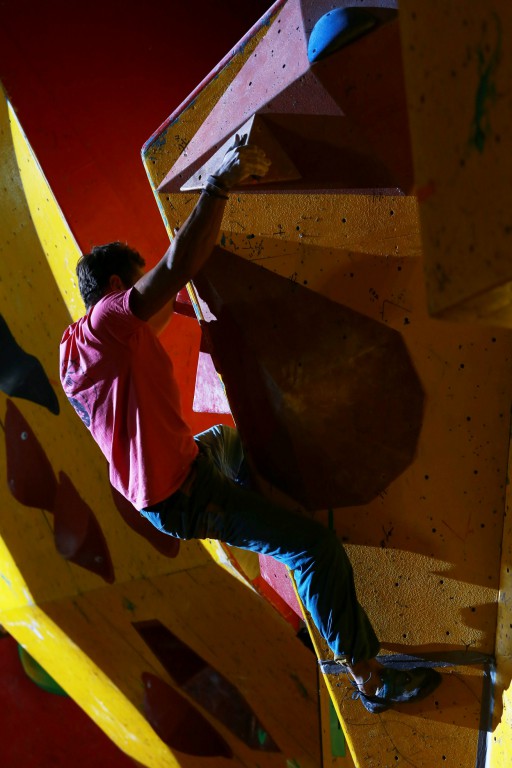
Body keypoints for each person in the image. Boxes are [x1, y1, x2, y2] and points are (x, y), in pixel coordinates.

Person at [59, 135, 441, 714]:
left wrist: (192, 299)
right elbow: (175, 265)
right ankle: (369, 680)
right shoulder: (110, 321)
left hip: (178, 469)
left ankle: (254, 505)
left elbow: (170, 291)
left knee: (232, 440)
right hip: (184, 495)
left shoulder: (78, 346)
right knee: (313, 549)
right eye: (140, 289)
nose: (154, 301)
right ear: (116, 290)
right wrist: (218, 185)